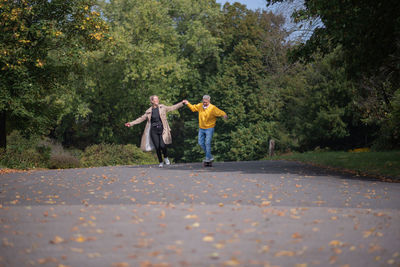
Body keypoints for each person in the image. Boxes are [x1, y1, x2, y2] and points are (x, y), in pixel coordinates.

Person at [125, 95, 184, 168]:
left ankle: (166, 157)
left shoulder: (162, 107)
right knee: (157, 147)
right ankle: (161, 162)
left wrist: (182, 103)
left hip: (163, 129)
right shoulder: (149, 111)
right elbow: (141, 119)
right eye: (155, 100)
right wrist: (131, 123)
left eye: (157, 99)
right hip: (153, 130)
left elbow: (172, 108)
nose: (157, 101)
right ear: (152, 101)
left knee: (163, 145)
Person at [183, 95, 227, 162]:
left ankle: (207, 158)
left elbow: (220, 112)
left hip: (209, 128)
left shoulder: (213, 108)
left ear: (209, 101)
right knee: (200, 143)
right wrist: (187, 103)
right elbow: (193, 108)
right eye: (203, 102)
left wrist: (224, 115)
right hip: (201, 128)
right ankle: (209, 156)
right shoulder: (200, 106)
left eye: (206, 102)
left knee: (207, 143)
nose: (204, 103)